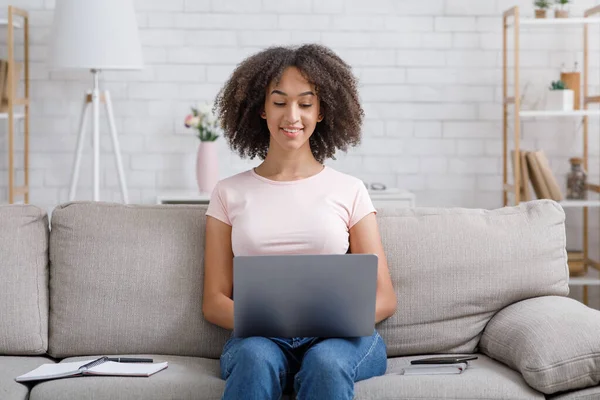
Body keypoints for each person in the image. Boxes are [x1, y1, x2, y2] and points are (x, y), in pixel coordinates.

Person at [202, 43, 397, 400]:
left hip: (340, 340)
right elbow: (214, 300)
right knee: (255, 358)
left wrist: (326, 323)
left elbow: (384, 297)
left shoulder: (349, 190)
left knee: (325, 363)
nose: (292, 116)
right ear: (261, 109)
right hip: (259, 339)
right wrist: (278, 323)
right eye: (279, 102)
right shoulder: (228, 193)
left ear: (322, 112)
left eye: (306, 103)